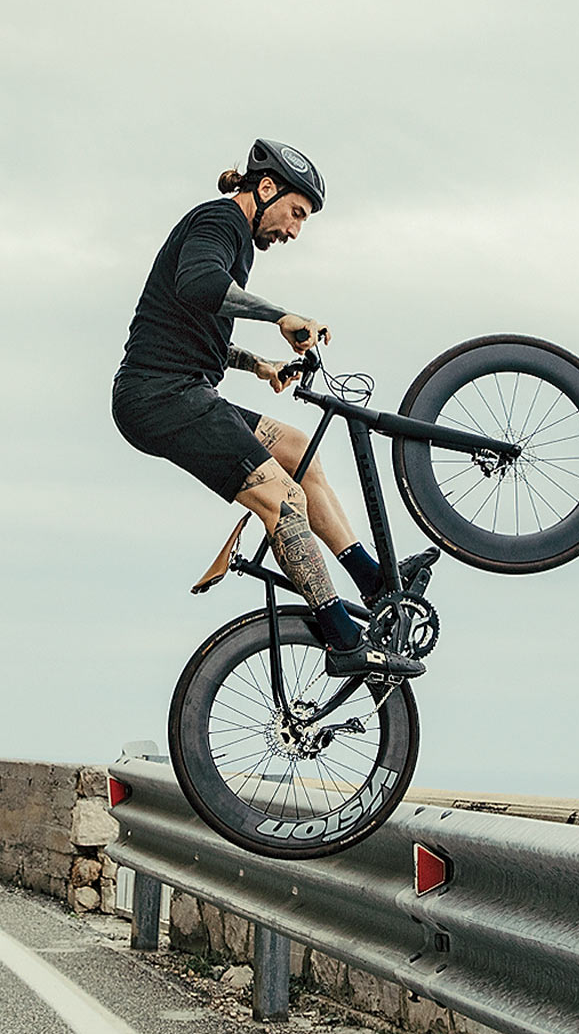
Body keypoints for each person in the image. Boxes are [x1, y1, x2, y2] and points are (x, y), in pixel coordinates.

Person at [112, 139, 432, 679]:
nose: (294, 231)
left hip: (183, 389)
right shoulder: (218, 225)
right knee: (281, 499)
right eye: (296, 213)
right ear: (265, 189)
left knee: (296, 450)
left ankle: (373, 582)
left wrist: (258, 364)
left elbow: (190, 327)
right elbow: (201, 287)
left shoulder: (234, 242)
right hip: (160, 399)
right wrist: (281, 315)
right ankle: (343, 637)